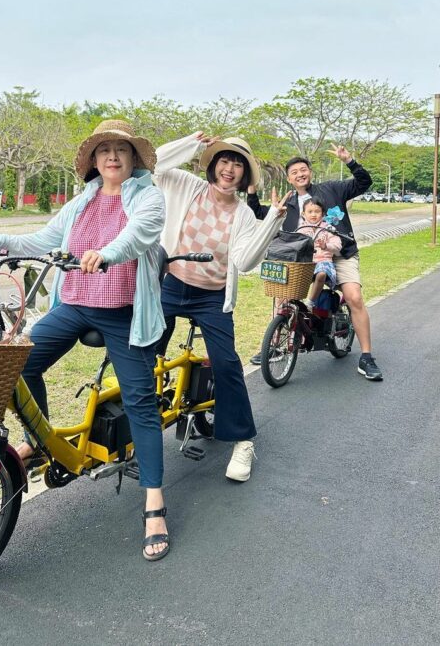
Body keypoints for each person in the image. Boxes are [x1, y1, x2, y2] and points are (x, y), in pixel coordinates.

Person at [0, 120, 171, 561]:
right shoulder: (82, 201)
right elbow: (44, 240)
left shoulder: (148, 196)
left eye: (121, 149)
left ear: (133, 159)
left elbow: (139, 235)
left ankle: (154, 503)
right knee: (21, 364)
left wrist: (109, 253)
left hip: (125, 315)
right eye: (104, 151)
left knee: (141, 404)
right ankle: (42, 443)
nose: (112, 156)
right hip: (74, 304)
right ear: (94, 161)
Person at [153, 132, 289, 482]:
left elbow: (243, 262)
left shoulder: (244, 214)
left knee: (227, 364)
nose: (230, 169)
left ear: (244, 176)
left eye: (238, 165)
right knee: (144, 351)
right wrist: (193, 144)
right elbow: (152, 163)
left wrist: (272, 219)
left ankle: (243, 440)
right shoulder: (186, 185)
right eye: (225, 161)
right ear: (213, 164)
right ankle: (145, 420)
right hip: (170, 284)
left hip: (212, 296)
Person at [247, 144, 382, 381]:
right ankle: (276, 344)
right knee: (283, 296)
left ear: (310, 171)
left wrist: (349, 160)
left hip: (339, 254)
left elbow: (363, 182)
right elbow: (258, 211)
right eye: (294, 172)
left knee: (354, 297)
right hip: (303, 259)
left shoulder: (331, 189)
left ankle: (367, 357)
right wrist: (251, 189)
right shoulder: (288, 204)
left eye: (303, 169)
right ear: (289, 179)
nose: (300, 174)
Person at [297, 196, 342, 309]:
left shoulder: (327, 228)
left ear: (323, 214)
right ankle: (292, 303)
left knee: (321, 273)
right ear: (303, 214)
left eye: (317, 211)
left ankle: (310, 302)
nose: (313, 214)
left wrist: (326, 246)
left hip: (323, 261)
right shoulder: (301, 229)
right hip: (306, 263)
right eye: (310, 211)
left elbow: (337, 246)